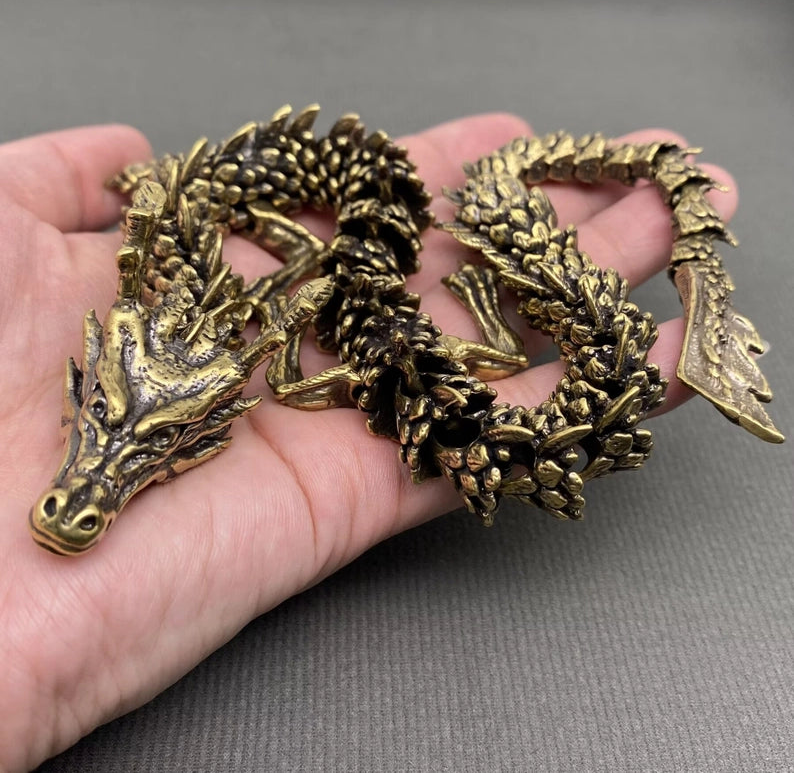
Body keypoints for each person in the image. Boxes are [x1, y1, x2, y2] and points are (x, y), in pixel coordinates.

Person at [0, 113, 735, 770]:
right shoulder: (183, 260)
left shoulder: (222, 257)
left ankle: (644, 222)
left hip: (370, 277)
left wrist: (288, 317)